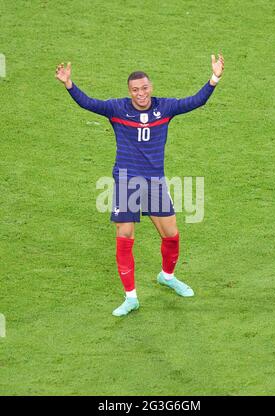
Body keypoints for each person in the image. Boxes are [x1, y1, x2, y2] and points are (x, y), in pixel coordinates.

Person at [55, 54, 224, 317]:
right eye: (135, 90)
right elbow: (89, 103)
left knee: (171, 235)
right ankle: (130, 297)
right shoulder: (117, 109)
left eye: (144, 88)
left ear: (151, 87)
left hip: (155, 181)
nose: (141, 93)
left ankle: (167, 276)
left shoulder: (165, 108)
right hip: (126, 181)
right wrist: (69, 84)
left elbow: (195, 101)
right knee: (124, 236)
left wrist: (214, 78)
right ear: (129, 91)